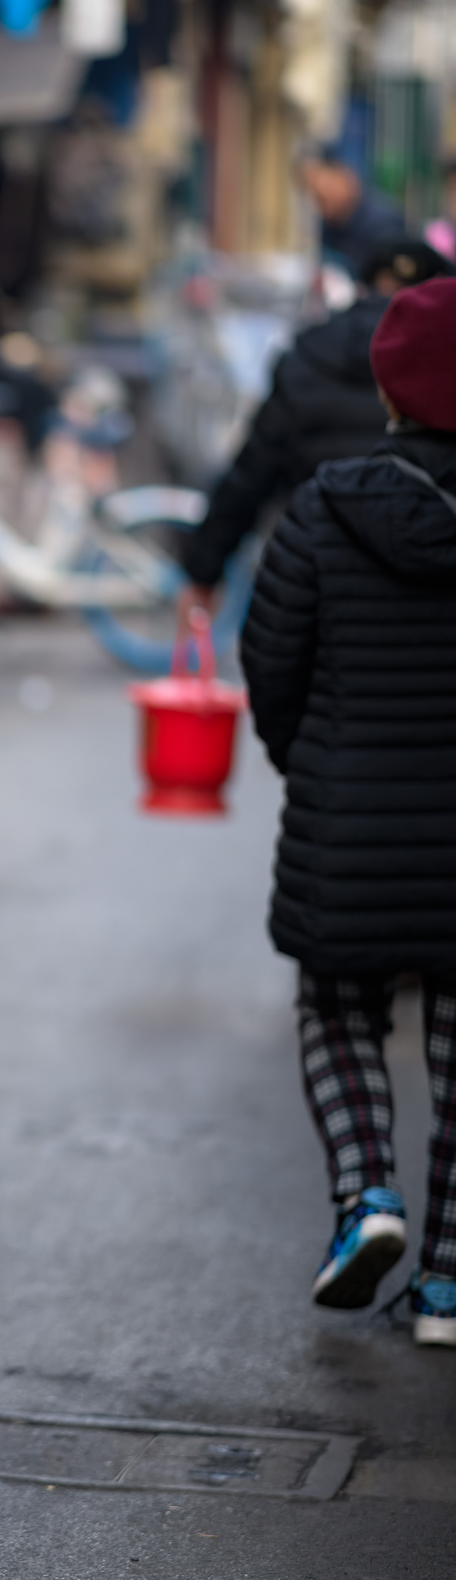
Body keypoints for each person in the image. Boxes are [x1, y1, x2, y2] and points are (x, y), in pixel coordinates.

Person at [239, 274, 456, 1349]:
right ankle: (450, 1281)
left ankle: (367, 1197)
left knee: (338, 1009)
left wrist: (311, 762)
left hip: (350, 821)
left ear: (390, 386)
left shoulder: (326, 507)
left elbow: (271, 666)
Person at [177, 239, 454, 618]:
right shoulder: (443, 362)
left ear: (363, 284)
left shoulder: (308, 354)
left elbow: (251, 472)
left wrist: (203, 573)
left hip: (321, 577)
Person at [295, 151, 406, 278]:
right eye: (317, 197)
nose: (320, 202)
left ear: (347, 183)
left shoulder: (383, 223)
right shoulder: (330, 224)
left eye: (328, 191)